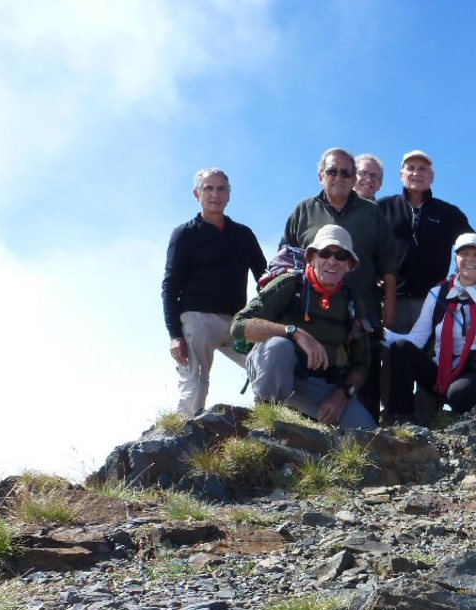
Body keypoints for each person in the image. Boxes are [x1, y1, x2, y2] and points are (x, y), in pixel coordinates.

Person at [281, 147, 399, 412]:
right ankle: (295, 419)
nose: (339, 177)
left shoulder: (372, 213)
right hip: (309, 311)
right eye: (332, 171)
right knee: (304, 365)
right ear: (321, 175)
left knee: (365, 369)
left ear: (354, 178)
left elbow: (388, 260)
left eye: (346, 173)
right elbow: (285, 257)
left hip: (362, 309)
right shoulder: (303, 210)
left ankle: (365, 429)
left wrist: (390, 304)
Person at [231, 225, 375, 429]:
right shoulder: (290, 283)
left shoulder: (351, 301)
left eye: (341, 256)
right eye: (325, 253)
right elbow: (238, 325)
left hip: (316, 384)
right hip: (275, 371)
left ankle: (305, 420)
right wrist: (294, 332)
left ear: (349, 265)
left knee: (367, 431)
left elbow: (362, 364)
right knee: (279, 346)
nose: (332, 261)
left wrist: (342, 395)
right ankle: (265, 419)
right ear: (312, 258)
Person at [161, 168, 267, 416]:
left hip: (237, 322)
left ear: (229, 194)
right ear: (197, 194)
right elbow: (170, 285)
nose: (215, 194)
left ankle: (270, 422)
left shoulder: (243, 234)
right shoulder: (185, 234)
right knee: (195, 382)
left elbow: (264, 277)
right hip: (197, 319)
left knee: (268, 365)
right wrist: (175, 335)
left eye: (221, 189)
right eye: (208, 188)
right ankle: (183, 433)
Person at [386, 234, 476, 420]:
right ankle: (401, 419)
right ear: (456, 259)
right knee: (401, 348)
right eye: (464, 254)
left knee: (459, 395)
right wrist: (383, 335)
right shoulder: (437, 294)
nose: (470, 259)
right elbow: (418, 338)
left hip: (472, 370)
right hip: (439, 368)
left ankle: (460, 416)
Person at [378, 150, 474, 334]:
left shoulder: (449, 213)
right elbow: (366, 248)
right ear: (401, 175)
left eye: (423, 169)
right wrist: (375, 276)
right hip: (389, 300)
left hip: (434, 302)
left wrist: (455, 280)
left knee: (430, 351)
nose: (416, 173)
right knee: (386, 351)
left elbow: (473, 248)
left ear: (432, 177)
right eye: (411, 168)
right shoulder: (383, 207)